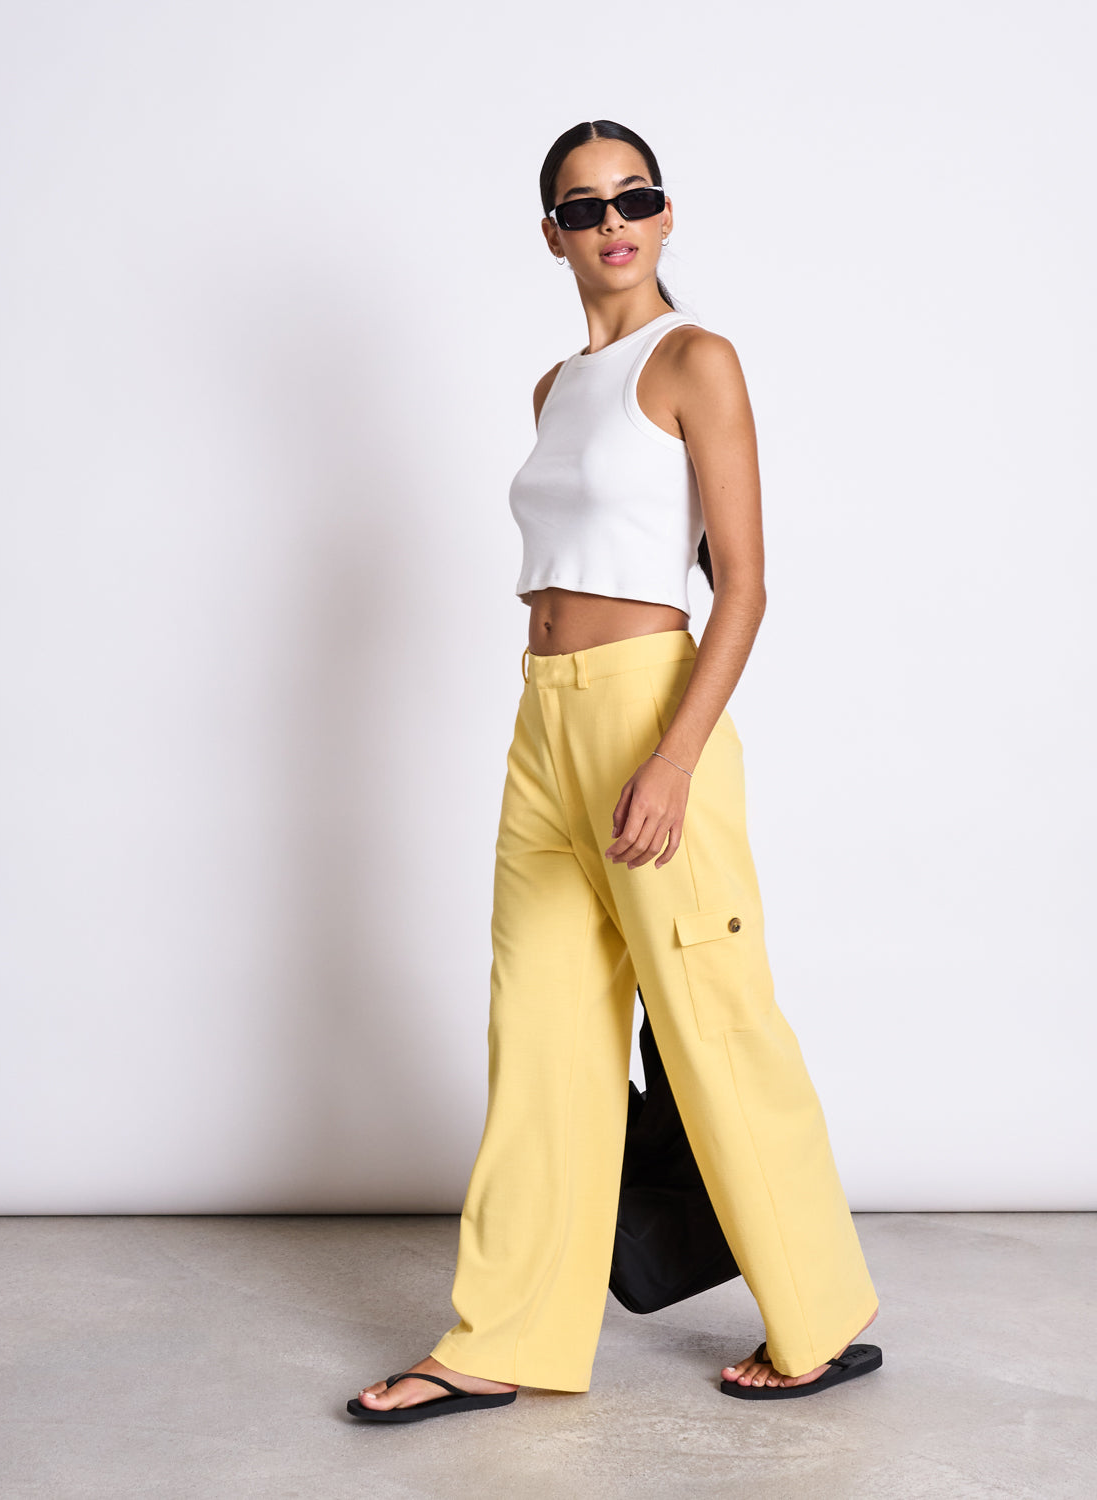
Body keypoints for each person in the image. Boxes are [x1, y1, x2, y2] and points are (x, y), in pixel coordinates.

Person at [347, 119, 881, 1424]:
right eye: (585, 206)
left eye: (634, 196)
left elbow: (743, 587)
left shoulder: (697, 359)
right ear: (554, 235)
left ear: (666, 213)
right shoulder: (554, 388)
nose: (613, 220)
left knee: (712, 1018)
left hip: (654, 714)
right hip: (543, 723)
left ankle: (819, 1316)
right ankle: (500, 1336)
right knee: (536, 1032)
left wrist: (675, 758)